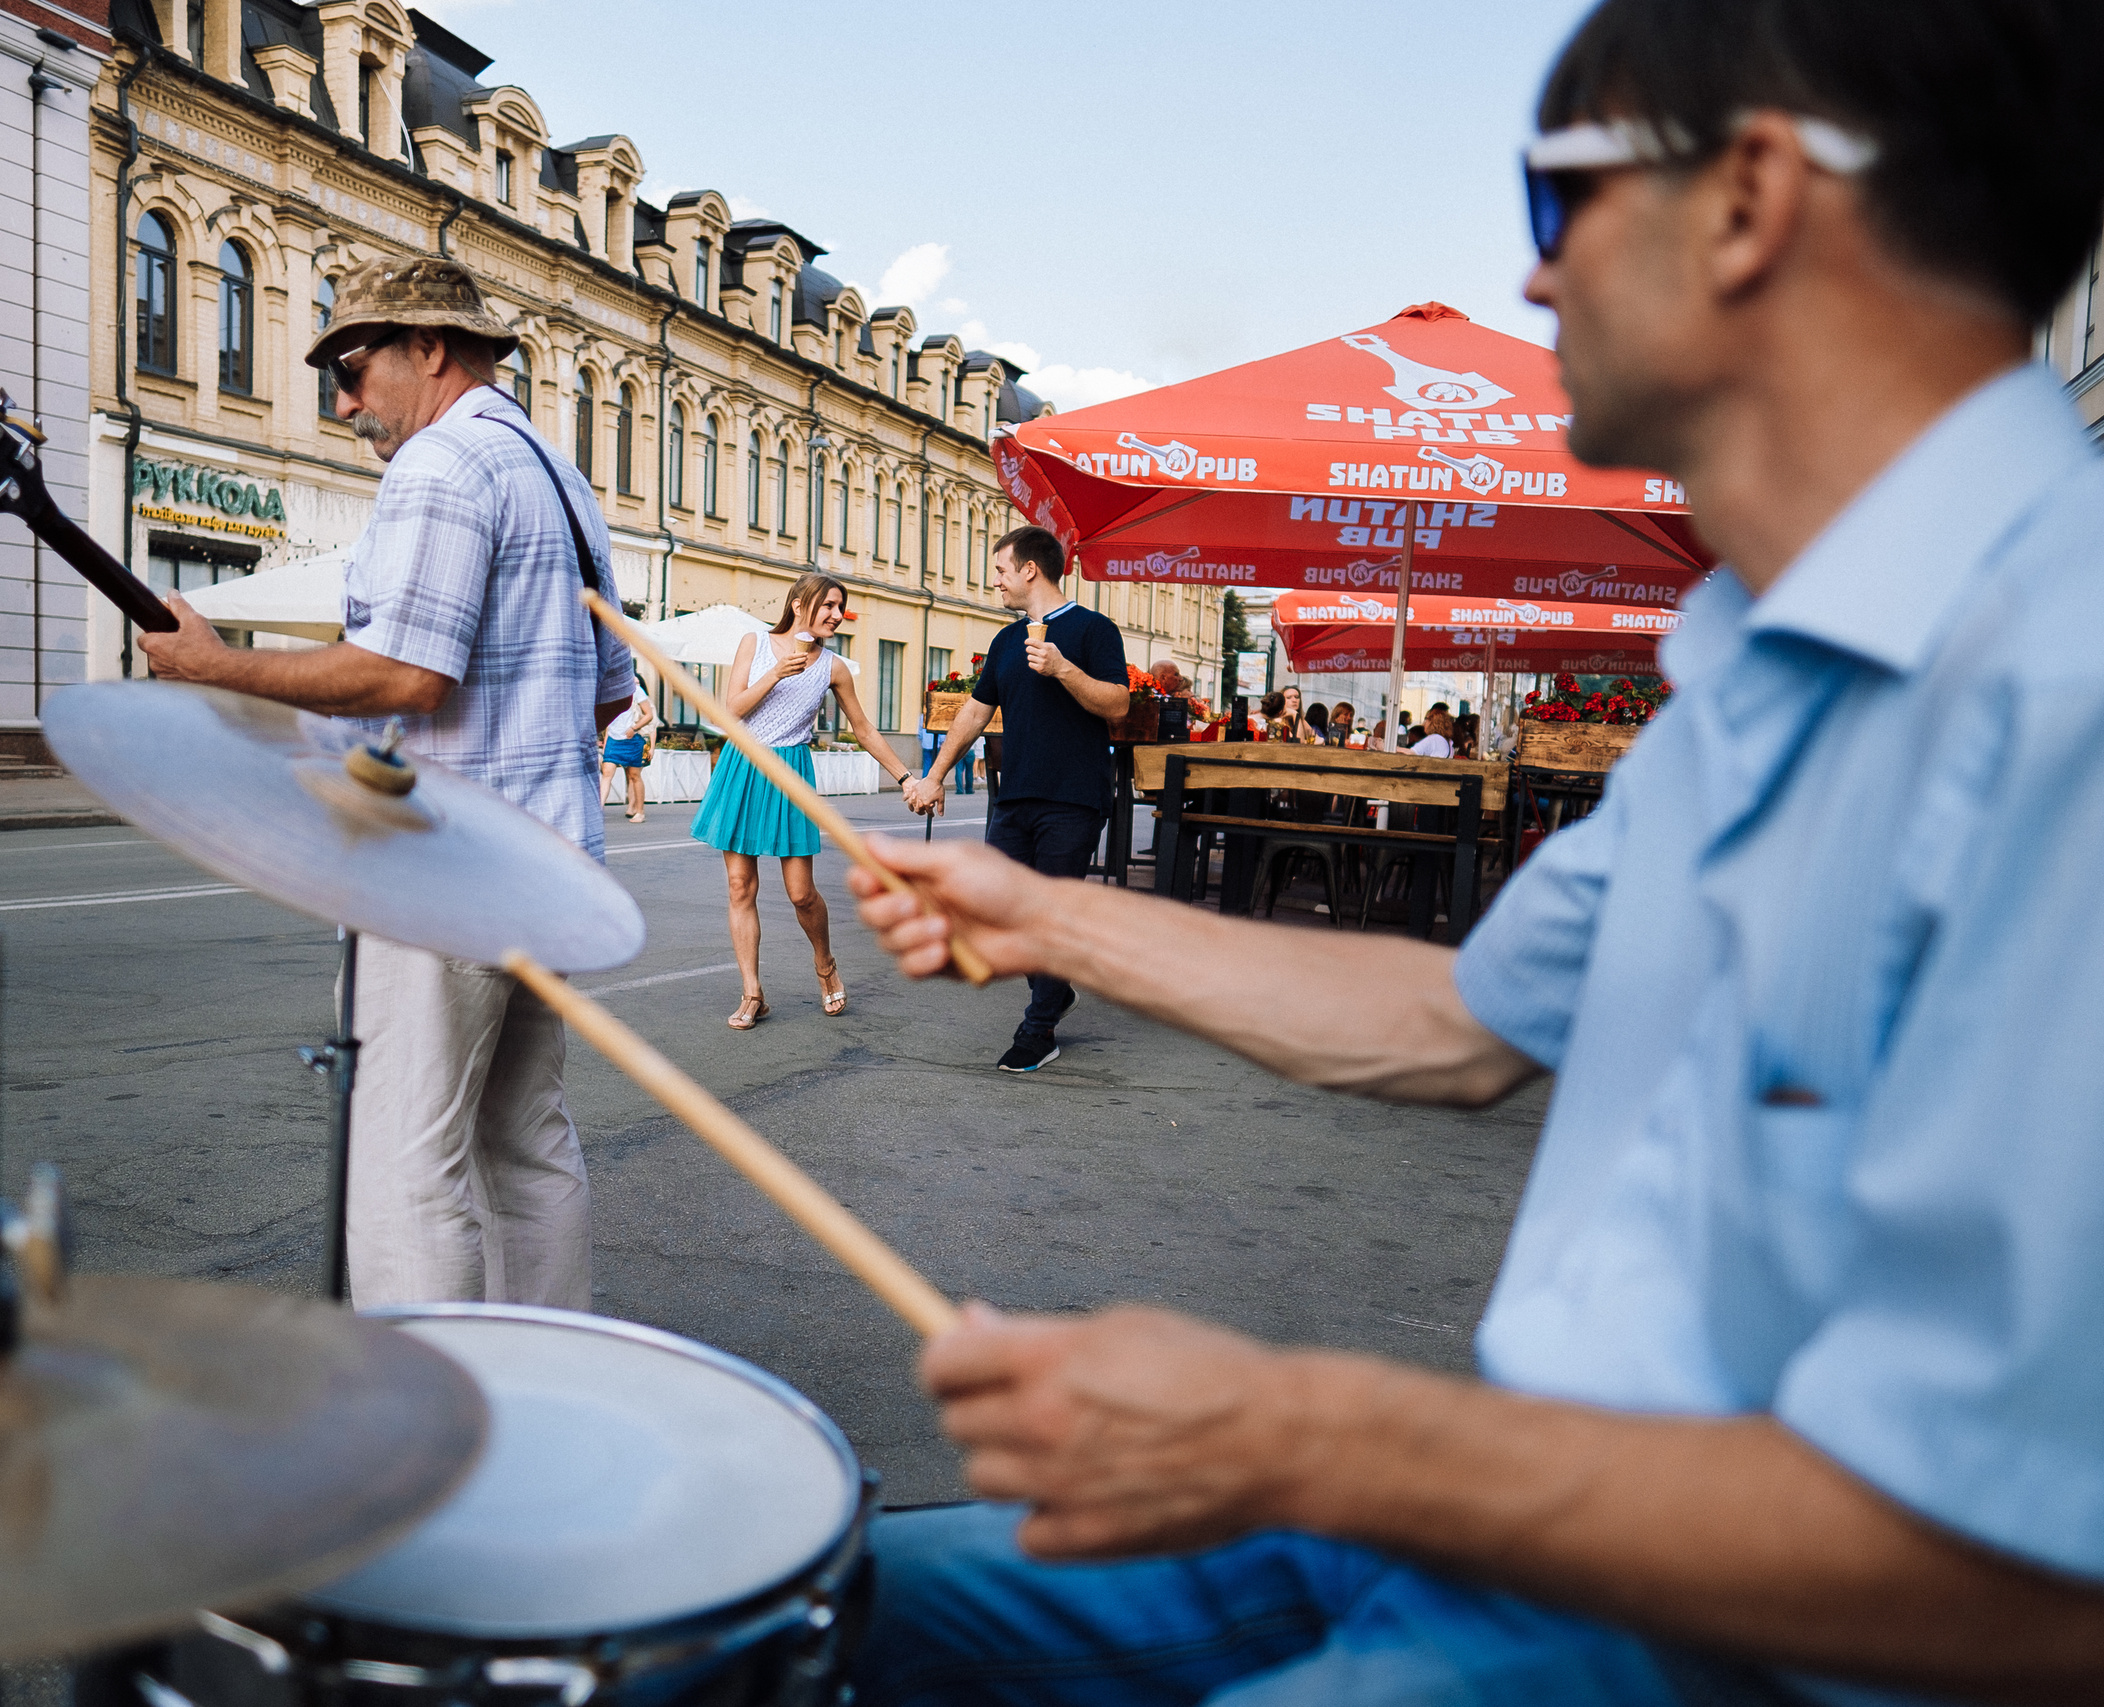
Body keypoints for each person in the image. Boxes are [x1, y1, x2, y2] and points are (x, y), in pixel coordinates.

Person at [841, 0, 2104, 1699]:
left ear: (1747, 197)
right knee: (824, 1603)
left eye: (1553, 198)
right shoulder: (1758, 657)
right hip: (1519, 1511)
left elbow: (2035, 1585)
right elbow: (1459, 1021)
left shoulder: (2057, 689)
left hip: (1720, 1635)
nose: (1533, 281)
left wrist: (1303, 1432)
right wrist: (1042, 917)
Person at [137, 256, 633, 1311]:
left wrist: (213, 664)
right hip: (548, 863)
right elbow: (604, 699)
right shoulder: (557, 474)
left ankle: (435, 1426)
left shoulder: (441, 466)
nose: (343, 401)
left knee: (405, 1162)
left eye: (354, 367)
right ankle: (544, 1387)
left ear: (431, 349)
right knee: (524, 1145)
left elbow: (406, 669)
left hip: (444, 872)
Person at [909, 526, 1125, 1073]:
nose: (995, 580)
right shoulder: (1005, 642)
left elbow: (1118, 704)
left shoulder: (1094, 630)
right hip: (1013, 799)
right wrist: (934, 776)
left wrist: (1062, 667)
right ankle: (1057, 991)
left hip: (1073, 799)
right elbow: (975, 713)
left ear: (1031, 569)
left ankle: (1039, 1027)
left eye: (1001, 568)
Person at [691, 574, 920, 1029]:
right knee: (740, 886)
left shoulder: (834, 667)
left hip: (791, 774)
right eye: (830, 605)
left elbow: (865, 729)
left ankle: (825, 963)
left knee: (801, 893)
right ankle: (752, 992)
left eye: (841, 607)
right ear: (799, 605)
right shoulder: (753, 642)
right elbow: (728, 711)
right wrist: (775, 673)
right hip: (742, 766)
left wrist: (907, 777)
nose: (838, 614)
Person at [600, 676, 655, 824]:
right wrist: (606, 744)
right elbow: (608, 721)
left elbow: (649, 715)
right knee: (607, 773)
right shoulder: (610, 691)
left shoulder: (636, 691)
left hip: (631, 739)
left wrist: (634, 727)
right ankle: (598, 810)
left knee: (634, 775)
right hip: (613, 738)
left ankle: (640, 812)